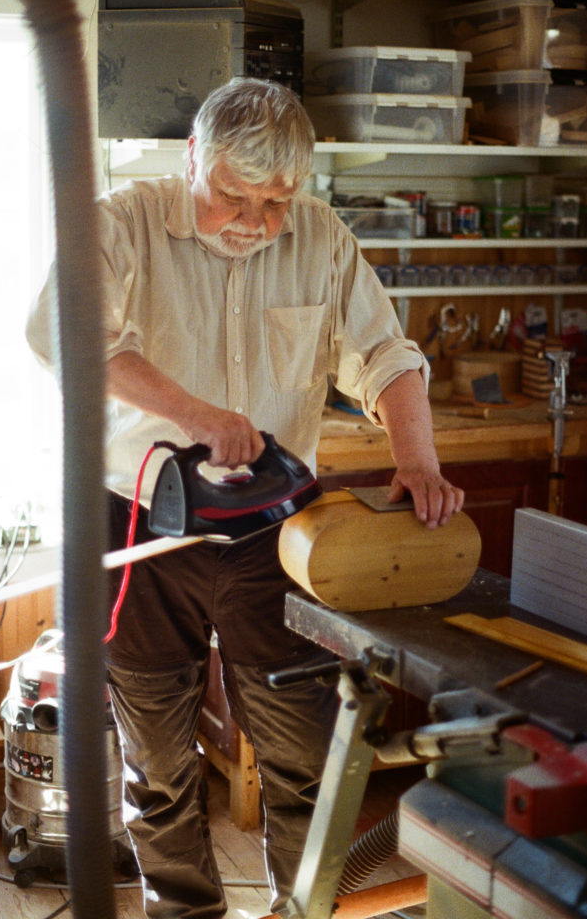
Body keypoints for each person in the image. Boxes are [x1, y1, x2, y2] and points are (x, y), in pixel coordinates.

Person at [26, 77, 464, 919]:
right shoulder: (118, 224)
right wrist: (197, 416)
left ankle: (303, 912)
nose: (257, 222)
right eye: (233, 195)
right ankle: (184, 911)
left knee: (305, 755)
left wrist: (416, 457)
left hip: (278, 536)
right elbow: (63, 335)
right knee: (158, 766)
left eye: (277, 199)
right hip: (140, 529)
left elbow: (384, 352)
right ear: (194, 159)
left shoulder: (320, 237)